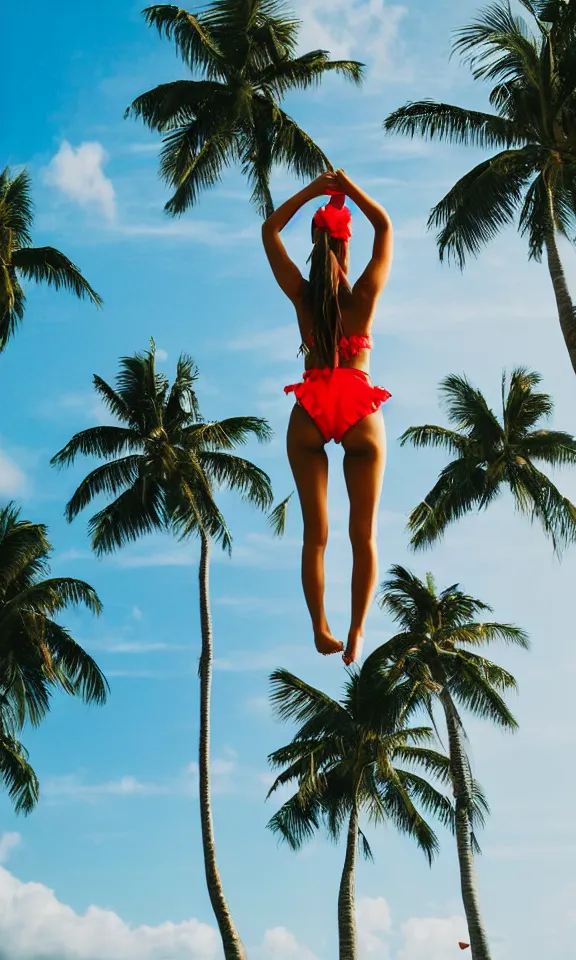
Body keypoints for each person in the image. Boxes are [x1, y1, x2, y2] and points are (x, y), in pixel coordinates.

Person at [261, 169, 393, 665]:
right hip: (358, 406)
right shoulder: (362, 298)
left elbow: (269, 231)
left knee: (316, 534)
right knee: (365, 534)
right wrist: (351, 190)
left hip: (313, 406)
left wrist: (313, 192)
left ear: (316, 247)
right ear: (344, 249)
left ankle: (320, 627)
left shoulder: (304, 298)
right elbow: (384, 228)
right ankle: (357, 631)